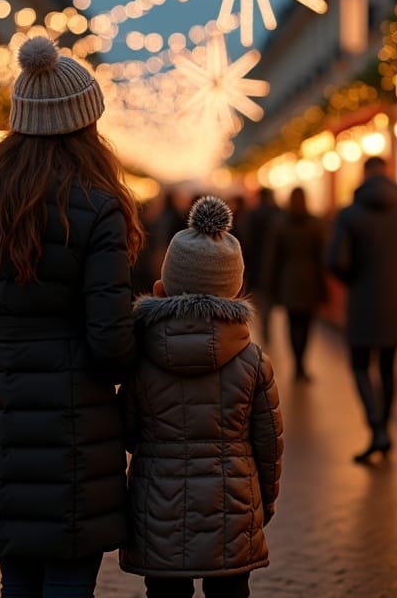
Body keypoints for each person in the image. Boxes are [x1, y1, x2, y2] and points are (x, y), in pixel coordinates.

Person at [0, 37, 145, 598]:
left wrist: (2, 365)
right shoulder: (97, 207)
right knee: (70, 578)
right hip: (76, 423)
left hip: (1, 423)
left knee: (18, 578)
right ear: (86, 126)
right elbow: (110, 339)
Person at [119, 196, 283, 598]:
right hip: (233, 508)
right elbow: (268, 445)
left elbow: (127, 432)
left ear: (164, 284)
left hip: (158, 508)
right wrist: (264, 502)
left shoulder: (140, 356)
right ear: (235, 289)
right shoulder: (253, 362)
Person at [325, 156, 397, 464]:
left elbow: (335, 261)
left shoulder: (349, 214)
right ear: (388, 174)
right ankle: (384, 427)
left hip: (362, 300)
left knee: (359, 365)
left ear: (364, 175)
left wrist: (354, 281)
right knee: (388, 367)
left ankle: (376, 427)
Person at [262, 186, 327, 381]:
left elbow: (273, 256)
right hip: (310, 279)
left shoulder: (280, 224)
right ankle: (302, 363)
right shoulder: (315, 224)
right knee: (307, 324)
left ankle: (296, 363)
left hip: (288, 279)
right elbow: (321, 256)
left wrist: (270, 283)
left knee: (292, 323)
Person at [239, 187, 279, 346]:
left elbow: (246, 242)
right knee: (269, 300)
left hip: (256, 264)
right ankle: (267, 328)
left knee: (261, 300)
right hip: (275, 266)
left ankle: (265, 330)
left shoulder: (252, 214)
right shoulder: (278, 213)